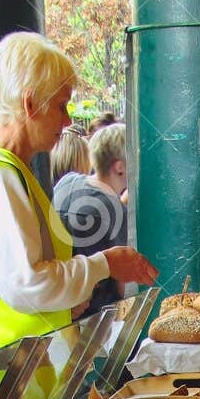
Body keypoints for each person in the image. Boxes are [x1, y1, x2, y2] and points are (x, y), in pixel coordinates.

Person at [0, 31, 156, 399]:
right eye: (60, 106)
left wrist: (68, 302)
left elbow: (24, 284)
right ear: (29, 103)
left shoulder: (11, 173)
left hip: (24, 396)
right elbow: (27, 285)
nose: (66, 121)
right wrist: (104, 264)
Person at [53, 123, 129, 318]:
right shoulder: (116, 211)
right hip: (94, 317)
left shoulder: (67, 182)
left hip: (57, 304)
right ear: (120, 167)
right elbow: (123, 286)